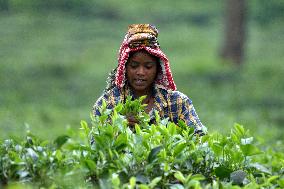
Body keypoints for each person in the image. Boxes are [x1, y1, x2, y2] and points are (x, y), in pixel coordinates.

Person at [93, 24, 206, 135]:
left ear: (158, 69)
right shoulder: (108, 103)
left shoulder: (177, 102)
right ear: (124, 68)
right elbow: (96, 145)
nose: (140, 72)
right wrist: (119, 125)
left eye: (148, 67)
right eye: (134, 66)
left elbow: (199, 138)